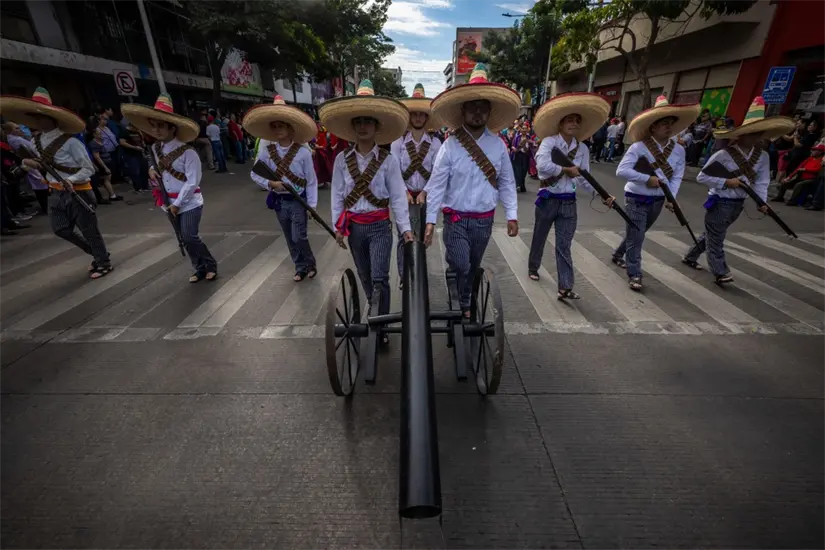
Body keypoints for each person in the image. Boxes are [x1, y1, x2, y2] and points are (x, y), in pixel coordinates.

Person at [423, 63, 520, 318]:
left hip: (484, 220)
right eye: (472, 106)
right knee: (461, 263)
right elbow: (437, 184)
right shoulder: (450, 146)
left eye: (482, 107)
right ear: (463, 110)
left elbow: (507, 182)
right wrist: (430, 220)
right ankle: (463, 300)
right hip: (456, 219)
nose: (477, 112)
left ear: (489, 111)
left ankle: (463, 296)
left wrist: (512, 214)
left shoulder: (498, 146)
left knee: (473, 265)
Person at [319, 79, 412, 343]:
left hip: (380, 227)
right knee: (365, 276)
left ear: (377, 127)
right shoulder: (342, 160)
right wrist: (338, 226)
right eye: (358, 122)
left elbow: (398, 197)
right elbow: (337, 195)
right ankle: (376, 312)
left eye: (367, 121)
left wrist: (405, 229)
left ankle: (380, 327)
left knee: (380, 278)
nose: (362, 126)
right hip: (354, 228)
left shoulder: (388, 161)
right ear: (353, 126)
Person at [0, 87, 113, 278]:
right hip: (54, 192)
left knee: (89, 230)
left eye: (40, 116)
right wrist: (27, 164)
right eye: (33, 117)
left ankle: (103, 262)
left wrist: (71, 179)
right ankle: (96, 253)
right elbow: (39, 164)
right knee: (60, 229)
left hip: (78, 191)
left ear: (51, 118)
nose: (36, 121)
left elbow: (88, 168)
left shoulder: (71, 142)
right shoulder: (35, 142)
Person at [683, 96, 795, 285]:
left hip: (738, 203)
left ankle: (690, 256)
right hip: (720, 201)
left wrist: (762, 202)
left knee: (713, 233)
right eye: (752, 133)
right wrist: (726, 182)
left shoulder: (763, 157)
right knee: (717, 237)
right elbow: (702, 177)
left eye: (759, 134)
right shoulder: (723, 155)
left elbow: (761, 182)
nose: (756, 138)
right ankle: (720, 271)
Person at [122, 94, 219, 283]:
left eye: (161, 126)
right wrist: (152, 169)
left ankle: (210, 264)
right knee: (182, 237)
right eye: (154, 126)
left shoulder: (188, 152)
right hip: (167, 201)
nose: (156, 130)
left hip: (189, 202)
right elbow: (155, 166)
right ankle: (199, 268)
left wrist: (177, 204)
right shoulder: (155, 149)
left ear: (172, 127)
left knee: (189, 236)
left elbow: (192, 182)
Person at [529, 92, 614, 299]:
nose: (574, 124)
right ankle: (533, 266)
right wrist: (565, 170)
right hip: (548, 198)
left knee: (564, 244)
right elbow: (542, 166)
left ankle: (565, 286)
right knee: (539, 236)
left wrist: (601, 195)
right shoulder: (549, 142)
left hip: (569, 201)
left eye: (577, 121)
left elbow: (584, 177)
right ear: (561, 123)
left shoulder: (582, 148)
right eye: (569, 120)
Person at [611, 95, 700, 291]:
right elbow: (622, 171)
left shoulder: (678, 151)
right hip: (635, 198)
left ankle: (618, 254)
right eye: (664, 123)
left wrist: (671, 197)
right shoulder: (639, 147)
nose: (668, 127)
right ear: (653, 127)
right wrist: (646, 179)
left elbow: (676, 176)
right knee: (637, 236)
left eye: (671, 123)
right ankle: (634, 273)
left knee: (638, 233)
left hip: (658, 200)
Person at [244, 95, 320, 281]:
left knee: (299, 236)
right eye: (275, 126)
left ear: (290, 128)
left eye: (282, 126)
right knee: (289, 236)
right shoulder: (267, 152)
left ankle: (310, 263)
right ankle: (299, 266)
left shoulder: (303, 153)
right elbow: (255, 174)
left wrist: (312, 205)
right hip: (280, 201)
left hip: (298, 200)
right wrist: (271, 184)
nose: (278, 129)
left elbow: (311, 181)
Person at [390, 83, 442, 282]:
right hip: (403, 195)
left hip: (425, 197)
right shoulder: (398, 143)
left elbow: (437, 173)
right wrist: (404, 191)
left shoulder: (435, 143)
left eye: (422, 114)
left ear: (427, 118)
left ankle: (418, 273)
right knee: (403, 235)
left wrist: (425, 192)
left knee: (422, 236)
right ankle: (404, 275)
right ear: (409, 117)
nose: (418, 118)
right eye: (414, 114)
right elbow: (395, 172)